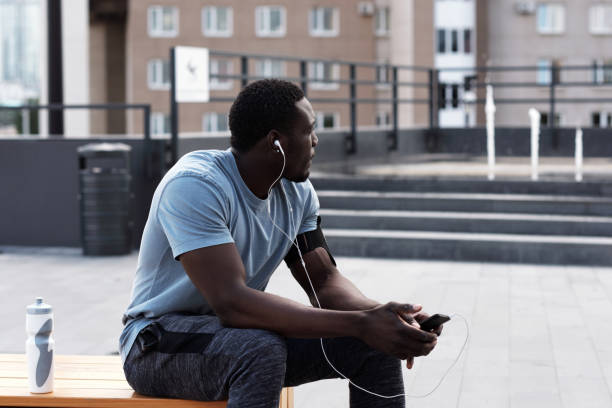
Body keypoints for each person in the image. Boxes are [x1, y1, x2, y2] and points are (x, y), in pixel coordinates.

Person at [119, 79, 442, 408]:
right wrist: (362, 323)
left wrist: (388, 320)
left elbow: (325, 281)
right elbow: (232, 303)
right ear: (276, 142)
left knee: (373, 345)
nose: (316, 141)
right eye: (309, 131)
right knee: (259, 348)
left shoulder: (297, 193)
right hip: (156, 346)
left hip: (238, 338)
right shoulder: (197, 186)